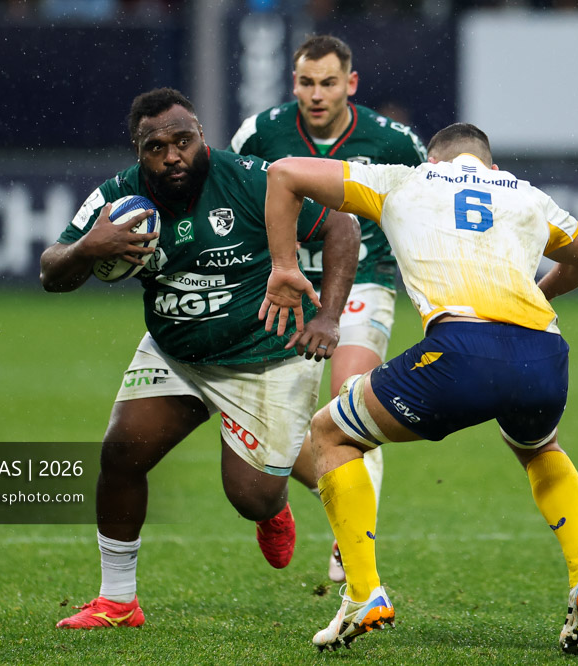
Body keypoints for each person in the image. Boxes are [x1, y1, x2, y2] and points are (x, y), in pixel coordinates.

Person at [259, 122, 578, 652]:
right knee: (541, 449)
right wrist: (539, 293)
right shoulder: (526, 194)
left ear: (432, 160)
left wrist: (284, 266)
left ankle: (362, 592)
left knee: (330, 434)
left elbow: (284, 174)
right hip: (543, 352)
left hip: (461, 350)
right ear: (490, 166)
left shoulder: (404, 180)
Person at [40, 87, 359, 629]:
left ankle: (273, 505)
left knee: (251, 498)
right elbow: (52, 271)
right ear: (138, 152)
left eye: (183, 140)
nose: (172, 155)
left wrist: (329, 317)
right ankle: (118, 602)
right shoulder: (117, 199)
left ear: (202, 136)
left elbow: (340, 225)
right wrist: (88, 249)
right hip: (178, 353)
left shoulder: (249, 179)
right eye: (155, 147)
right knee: (120, 455)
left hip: (267, 353)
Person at [230, 34, 427, 582]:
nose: (316, 95)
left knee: (353, 399)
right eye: (306, 83)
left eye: (329, 83)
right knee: (281, 424)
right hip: (291, 285)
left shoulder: (392, 142)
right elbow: (236, 202)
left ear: (351, 84)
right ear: (294, 82)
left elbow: (431, 200)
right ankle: (295, 492)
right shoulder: (260, 133)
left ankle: (350, 539)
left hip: (365, 276)